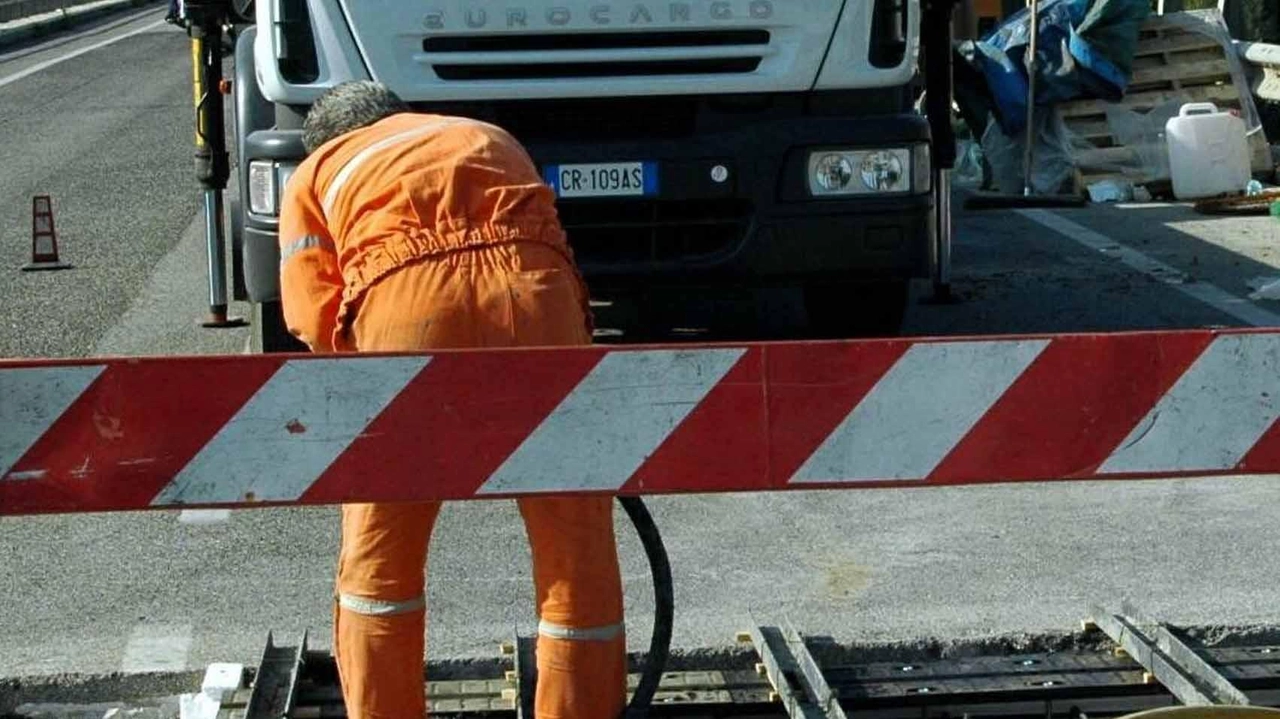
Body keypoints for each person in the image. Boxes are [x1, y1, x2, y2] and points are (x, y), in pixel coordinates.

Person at [278, 81, 627, 719]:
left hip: (405, 304)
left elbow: (309, 308)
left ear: (326, 139)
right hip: (535, 302)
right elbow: (552, 245)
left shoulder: (317, 171)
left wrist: (369, 394)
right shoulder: (484, 135)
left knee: (383, 552)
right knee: (574, 545)